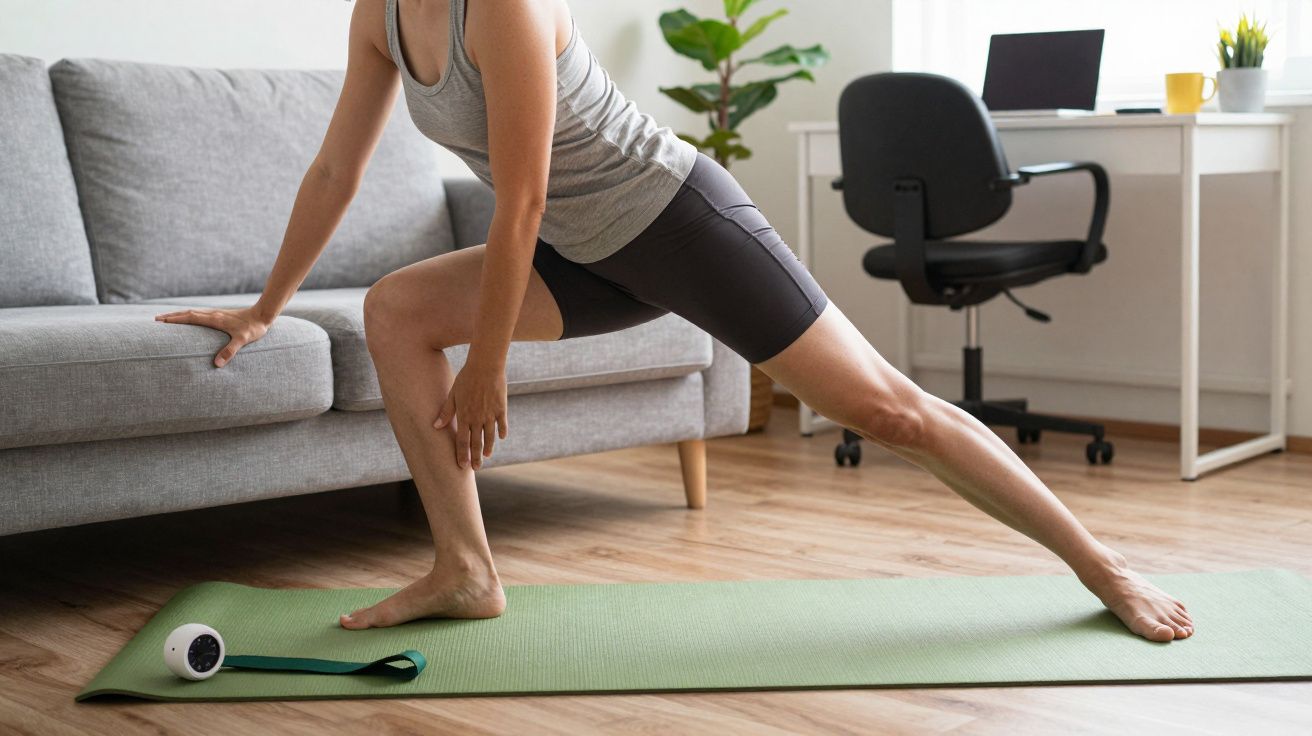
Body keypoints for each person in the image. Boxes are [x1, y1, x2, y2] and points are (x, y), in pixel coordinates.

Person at [154, 0, 1193, 642]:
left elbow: (516, 197)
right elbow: (338, 167)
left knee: (888, 410)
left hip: (676, 219)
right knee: (395, 311)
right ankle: (466, 570)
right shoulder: (379, 13)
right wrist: (266, 305)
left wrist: (489, 368)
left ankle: (1102, 566)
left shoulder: (502, 4)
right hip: (584, 251)